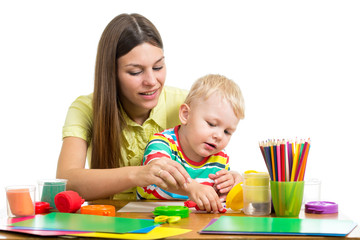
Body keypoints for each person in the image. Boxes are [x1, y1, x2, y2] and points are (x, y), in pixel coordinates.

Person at [56, 13, 192, 201]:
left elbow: (213, 164)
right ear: (111, 73)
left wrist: (231, 178)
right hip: (109, 222)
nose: (152, 81)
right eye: (135, 72)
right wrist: (137, 174)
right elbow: (66, 182)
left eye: (158, 67)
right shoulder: (85, 109)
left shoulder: (185, 105)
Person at [137, 74, 245, 213]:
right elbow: (159, 173)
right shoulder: (162, 143)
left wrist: (229, 184)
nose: (218, 135)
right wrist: (192, 188)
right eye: (211, 124)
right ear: (186, 115)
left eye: (227, 132)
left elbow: (216, 198)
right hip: (148, 217)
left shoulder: (219, 158)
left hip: (193, 223)